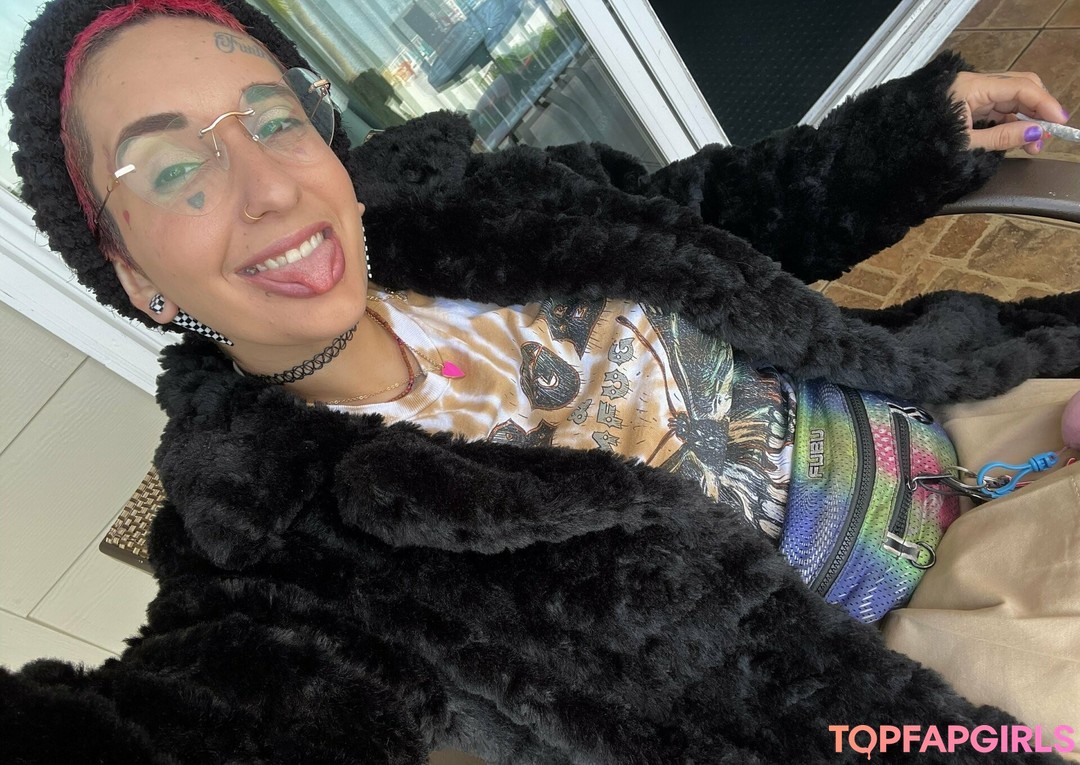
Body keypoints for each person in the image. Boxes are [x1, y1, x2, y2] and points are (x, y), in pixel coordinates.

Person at [2, 0, 1077, 762]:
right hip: (913, 673)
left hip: (954, 408)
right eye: (174, 167)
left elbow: (708, 214)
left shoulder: (474, 209)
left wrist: (901, 142)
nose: (270, 187)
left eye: (275, 117)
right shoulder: (278, 550)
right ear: (135, 277)